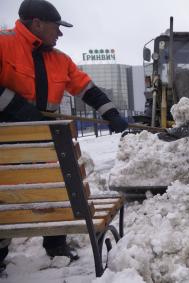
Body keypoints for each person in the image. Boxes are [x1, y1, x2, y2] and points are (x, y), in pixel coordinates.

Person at [0, 0, 128, 272]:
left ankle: (55, 244)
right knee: (8, 191)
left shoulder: (60, 60)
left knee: (53, 185)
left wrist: (112, 114)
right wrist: (22, 111)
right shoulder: (3, 43)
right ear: (36, 23)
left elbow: (88, 90)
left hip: (45, 140)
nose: (60, 34)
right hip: (6, 139)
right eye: (57, 27)